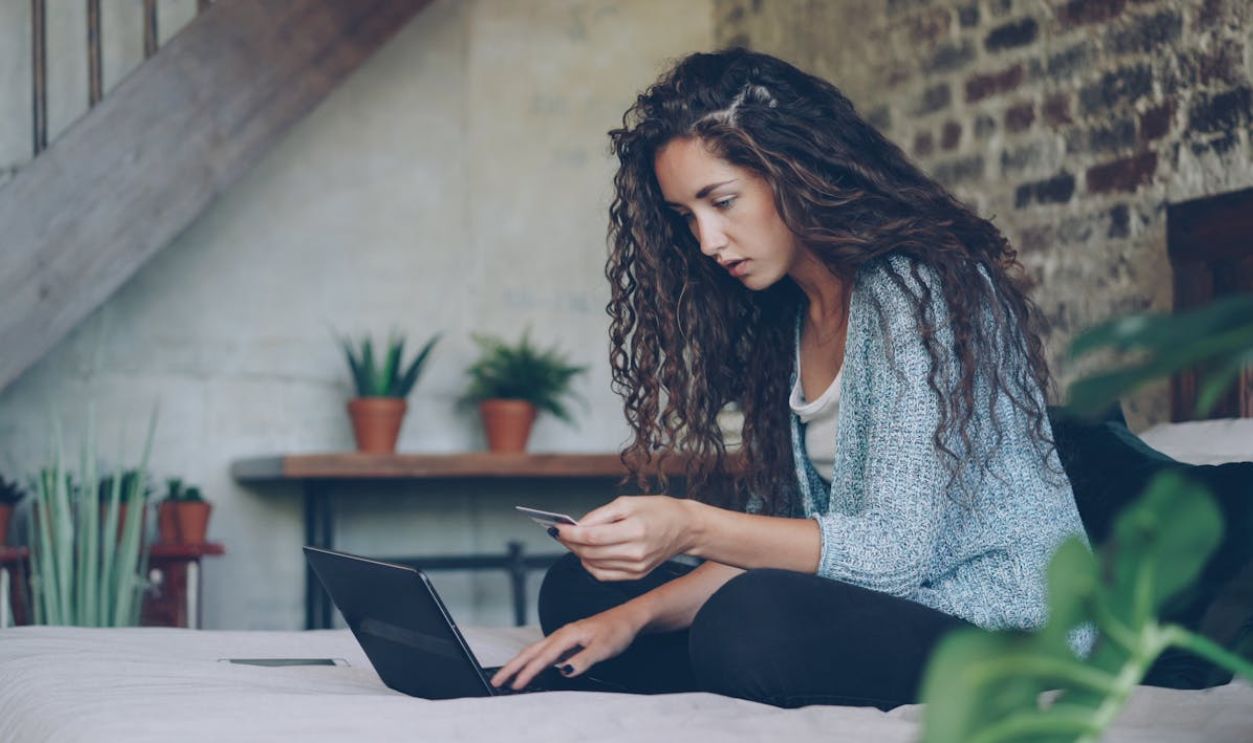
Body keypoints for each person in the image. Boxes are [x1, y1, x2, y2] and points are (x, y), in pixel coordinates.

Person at [489, 48, 1092, 710]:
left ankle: (721, 657)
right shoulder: (786, 316)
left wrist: (688, 525)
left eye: (721, 201)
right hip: (870, 605)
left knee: (751, 621)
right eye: (686, 217)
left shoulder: (921, 291)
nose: (708, 241)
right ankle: (671, 647)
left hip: (1002, 624)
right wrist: (628, 619)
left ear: (794, 171)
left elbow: (893, 554)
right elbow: (784, 540)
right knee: (578, 594)